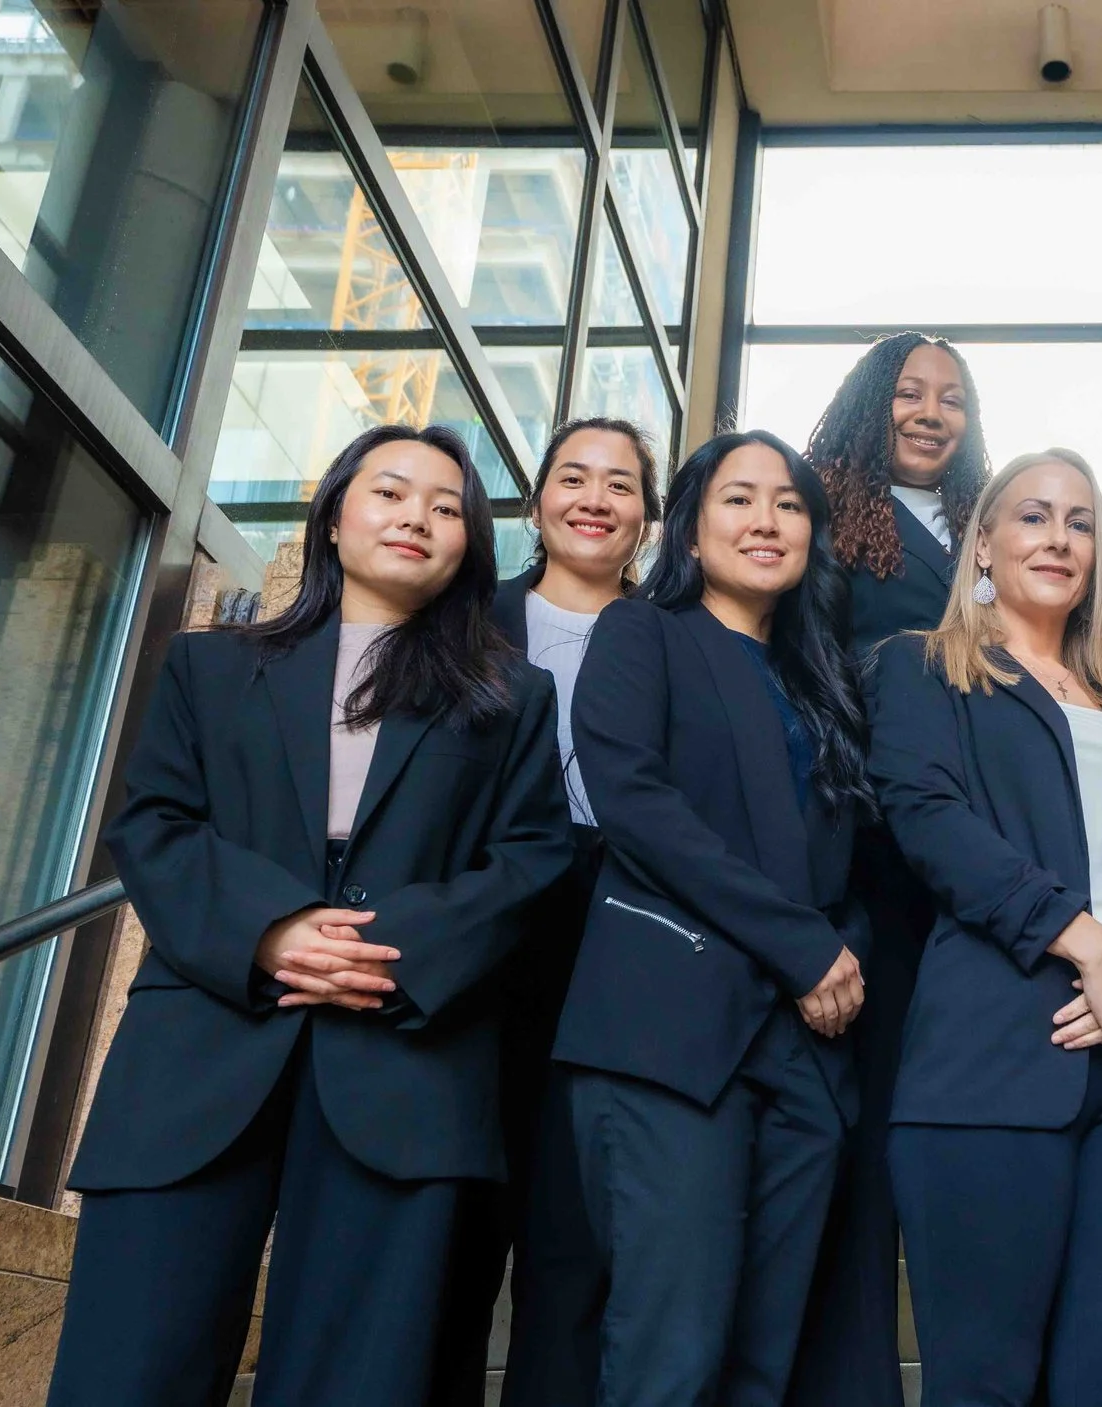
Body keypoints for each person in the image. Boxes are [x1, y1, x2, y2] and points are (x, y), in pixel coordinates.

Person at [51, 424, 574, 1407]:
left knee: (361, 1380)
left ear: (469, 547)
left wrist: (388, 948)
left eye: (447, 505)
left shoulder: (511, 699)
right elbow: (155, 825)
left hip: (405, 1064)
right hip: (201, 1052)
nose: (417, 514)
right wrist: (273, 931)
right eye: (389, 492)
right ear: (334, 518)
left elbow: (535, 860)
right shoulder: (211, 671)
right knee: (129, 1362)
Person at [868, 449, 1102, 1407]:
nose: (1057, 538)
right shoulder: (922, 667)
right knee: (984, 1383)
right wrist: (1094, 951)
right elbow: (932, 825)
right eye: (1032, 516)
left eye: (1078, 523)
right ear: (982, 542)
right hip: (991, 1064)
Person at [553, 428, 873, 1407]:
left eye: (786, 503)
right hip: (671, 1036)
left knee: (759, 1364)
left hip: (807, 1055)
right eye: (739, 498)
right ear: (689, 527)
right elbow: (637, 806)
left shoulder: (824, 684)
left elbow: (853, 860)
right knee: (671, 1355)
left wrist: (842, 954)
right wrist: (804, 949)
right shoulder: (640, 634)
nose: (766, 519)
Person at [437, 418, 662, 1407]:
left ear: (649, 520)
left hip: (614, 933)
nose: (595, 499)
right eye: (573, 478)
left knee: (574, 1232)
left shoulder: (670, 639)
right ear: (536, 504)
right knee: (456, 1221)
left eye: (621, 485)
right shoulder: (462, 623)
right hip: (480, 932)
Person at [792, 332, 991, 1407]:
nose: (929, 412)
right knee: (863, 1135)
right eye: (909, 393)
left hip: (984, 850)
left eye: (951, 398)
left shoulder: (989, 524)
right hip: (871, 854)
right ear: (871, 404)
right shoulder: (818, 519)